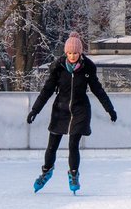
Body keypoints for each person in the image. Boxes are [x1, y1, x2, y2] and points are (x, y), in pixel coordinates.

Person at [27, 32, 117, 194]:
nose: (73, 56)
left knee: (73, 144)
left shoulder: (88, 67)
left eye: (75, 53)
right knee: (51, 146)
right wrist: (35, 110)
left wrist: (110, 109)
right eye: (69, 53)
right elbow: (47, 90)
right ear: (65, 53)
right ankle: (46, 171)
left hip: (80, 110)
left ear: (80, 52)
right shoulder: (58, 68)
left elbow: (98, 90)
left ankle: (74, 174)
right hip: (60, 110)